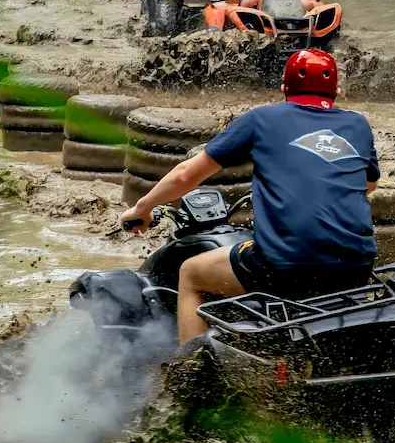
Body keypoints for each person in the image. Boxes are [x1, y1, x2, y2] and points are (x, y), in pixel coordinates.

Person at [118, 49, 379, 344]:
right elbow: (368, 186)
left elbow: (185, 176)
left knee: (190, 273)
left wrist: (142, 207)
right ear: (337, 92)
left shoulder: (262, 119)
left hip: (285, 265)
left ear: (284, 89)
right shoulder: (359, 126)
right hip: (357, 266)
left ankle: (190, 372)